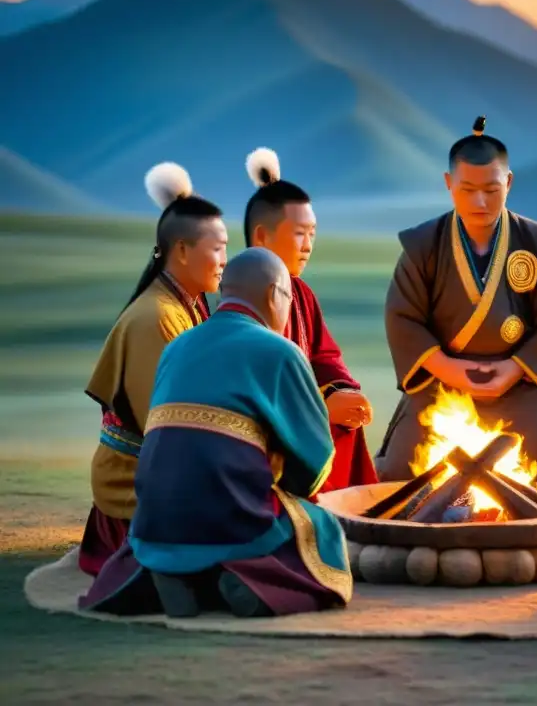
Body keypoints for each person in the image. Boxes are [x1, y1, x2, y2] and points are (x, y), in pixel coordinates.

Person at [79, 248, 354, 618]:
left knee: (188, 528)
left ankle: (174, 580)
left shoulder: (177, 346)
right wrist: (288, 483)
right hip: (230, 513)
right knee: (318, 529)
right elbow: (316, 462)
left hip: (155, 516)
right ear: (276, 295)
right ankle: (256, 587)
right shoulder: (280, 351)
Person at [376, 116, 537, 484]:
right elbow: (402, 318)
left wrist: (513, 370)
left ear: (508, 182)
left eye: (491, 189)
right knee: (401, 473)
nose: (479, 201)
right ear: (448, 183)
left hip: (519, 385)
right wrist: (450, 369)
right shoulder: (422, 246)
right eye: (467, 188)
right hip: (441, 383)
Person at [78, 163, 227, 577]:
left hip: (171, 463)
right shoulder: (156, 319)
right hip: (137, 489)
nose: (224, 261)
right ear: (181, 250)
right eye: (217, 248)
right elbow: (169, 427)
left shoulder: (187, 305)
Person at [243, 148, 377, 493]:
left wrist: (339, 391)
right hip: (256, 427)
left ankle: (343, 516)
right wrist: (319, 405)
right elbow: (251, 382)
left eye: (313, 234)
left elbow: (325, 357)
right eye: (300, 233)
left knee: (345, 425)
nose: (308, 246)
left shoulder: (301, 293)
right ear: (261, 236)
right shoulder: (238, 292)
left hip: (301, 412)